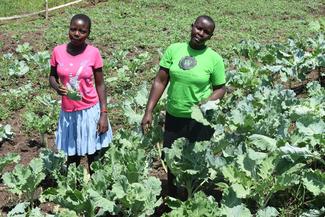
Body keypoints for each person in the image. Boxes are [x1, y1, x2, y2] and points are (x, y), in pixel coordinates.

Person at [141, 15, 226, 198]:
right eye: (198, 28)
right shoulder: (174, 50)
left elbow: (221, 88)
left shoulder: (214, 59)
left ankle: (193, 198)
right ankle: (172, 195)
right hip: (174, 116)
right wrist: (149, 111)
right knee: (172, 160)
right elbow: (160, 81)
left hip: (199, 119)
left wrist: (207, 100)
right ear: (192, 26)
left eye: (206, 32)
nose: (200, 33)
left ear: (210, 37)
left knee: (195, 161)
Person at [49, 14, 113, 172]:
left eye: (82, 31)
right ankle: (73, 189)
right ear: (68, 30)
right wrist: (57, 88)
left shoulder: (93, 53)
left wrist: (103, 113)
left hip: (90, 111)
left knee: (93, 155)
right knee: (72, 156)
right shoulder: (58, 52)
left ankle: (95, 190)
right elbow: (52, 76)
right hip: (68, 112)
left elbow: (100, 84)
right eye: (73, 29)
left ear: (88, 33)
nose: (77, 34)